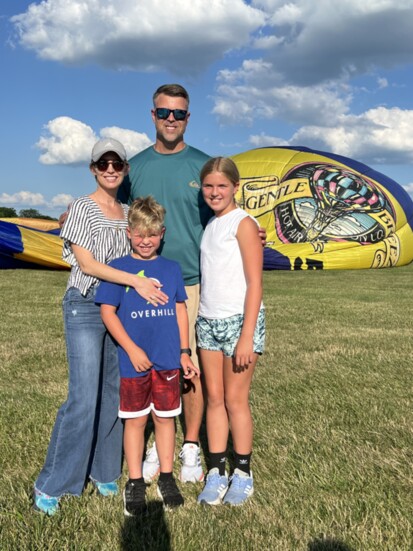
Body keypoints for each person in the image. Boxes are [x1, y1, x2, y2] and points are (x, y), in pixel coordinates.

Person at [33, 138, 167, 516]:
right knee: (83, 396)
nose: (110, 169)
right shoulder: (81, 208)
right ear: (93, 168)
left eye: (117, 163)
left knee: (115, 392)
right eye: (103, 163)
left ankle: (105, 471)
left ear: (125, 168)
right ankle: (52, 483)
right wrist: (135, 280)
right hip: (86, 306)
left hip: (119, 309)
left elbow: (147, 240)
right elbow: (87, 264)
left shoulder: (127, 213)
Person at [117, 83, 212, 483]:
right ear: (152, 116)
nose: (170, 119)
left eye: (178, 113)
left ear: (188, 118)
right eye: (163, 112)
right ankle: (157, 440)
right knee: (147, 365)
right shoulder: (135, 166)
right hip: (140, 285)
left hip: (189, 282)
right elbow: (113, 205)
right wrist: (76, 208)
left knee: (188, 368)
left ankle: (189, 446)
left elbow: (225, 211)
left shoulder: (204, 165)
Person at [95, 196, 200, 515]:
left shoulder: (171, 268)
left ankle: (167, 477)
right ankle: (136, 481)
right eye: (139, 234)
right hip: (134, 362)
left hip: (168, 360)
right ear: (129, 232)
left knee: (166, 419)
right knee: (137, 421)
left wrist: (184, 352)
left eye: (152, 234)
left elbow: (180, 309)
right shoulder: (118, 268)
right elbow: (108, 312)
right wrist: (131, 348)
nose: (145, 241)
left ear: (162, 233)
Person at [196, 157, 265, 507]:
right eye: (208, 186)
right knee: (214, 398)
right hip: (208, 321)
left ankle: (242, 472)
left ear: (236, 187)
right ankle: (216, 470)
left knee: (236, 400)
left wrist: (246, 335)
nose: (214, 192)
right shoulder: (211, 225)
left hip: (239, 322)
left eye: (222, 186)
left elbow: (255, 283)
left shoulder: (244, 223)